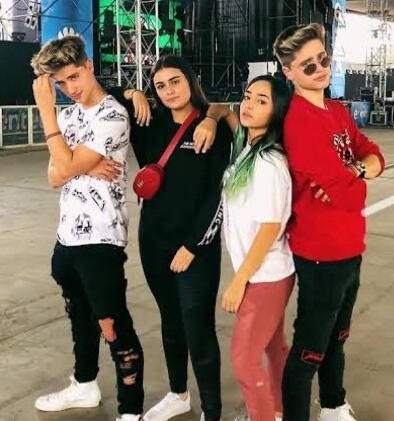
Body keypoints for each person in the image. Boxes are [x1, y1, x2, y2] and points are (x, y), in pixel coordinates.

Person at [273, 24, 385, 421]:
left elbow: (374, 154)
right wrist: (357, 176)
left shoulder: (337, 111)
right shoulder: (299, 120)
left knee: (338, 336)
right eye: (308, 65)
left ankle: (333, 404)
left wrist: (355, 170)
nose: (320, 69)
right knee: (310, 349)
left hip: (351, 245)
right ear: (288, 71)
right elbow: (347, 194)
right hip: (321, 252)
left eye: (323, 59)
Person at [112, 55, 232, 421]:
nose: (169, 91)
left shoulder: (212, 128)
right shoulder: (150, 122)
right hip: (154, 243)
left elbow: (218, 196)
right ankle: (178, 394)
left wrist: (193, 246)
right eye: (160, 85)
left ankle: (212, 411)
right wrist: (132, 93)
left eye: (175, 81)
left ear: (191, 81)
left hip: (196, 249)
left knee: (199, 329)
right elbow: (103, 93)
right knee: (170, 322)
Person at [31, 36, 144, 421]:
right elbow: (53, 176)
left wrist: (47, 115)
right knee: (80, 316)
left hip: (101, 235)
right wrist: (83, 164)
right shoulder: (69, 117)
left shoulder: (111, 115)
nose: (70, 88)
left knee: (112, 323)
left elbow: (63, 166)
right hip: (67, 235)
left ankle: (131, 410)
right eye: (60, 83)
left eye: (74, 76)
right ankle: (84, 384)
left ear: (89, 65)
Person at [220, 75, 295, 421]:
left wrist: (239, 282)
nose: (248, 104)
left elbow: (269, 228)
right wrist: (218, 114)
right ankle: (278, 410)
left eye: (261, 101)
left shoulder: (268, 163)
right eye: (248, 96)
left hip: (265, 275)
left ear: (276, 111)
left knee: (244, 359)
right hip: (265, 272)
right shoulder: (249, 148)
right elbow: (228, 115)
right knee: (274, 348)